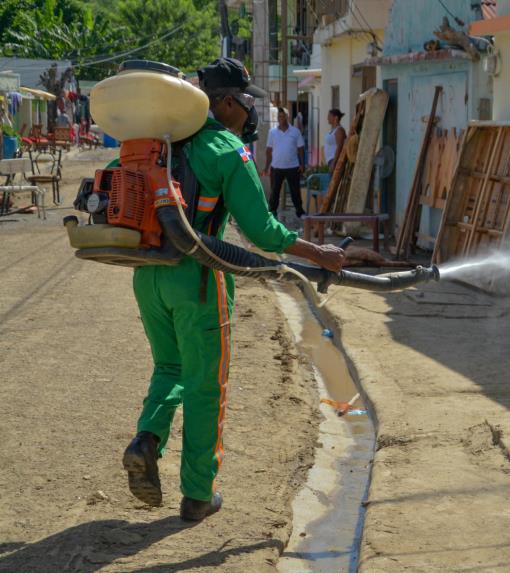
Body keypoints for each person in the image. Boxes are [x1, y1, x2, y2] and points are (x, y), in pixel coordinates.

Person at [121, 57, 345, 522]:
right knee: (206, 385)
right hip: (199, 279)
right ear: (225, 103)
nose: (251, 113)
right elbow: (262, 232)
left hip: (148, 275)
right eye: (246, 103)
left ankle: (147, 438)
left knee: (169, 366)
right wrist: (318, 254)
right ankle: (199, 494)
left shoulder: (154, 144)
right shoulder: (225, 149)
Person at [262, 107, 305, 219]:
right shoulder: (272, 132)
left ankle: (300, 212)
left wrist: (302, 164)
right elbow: (269, 150)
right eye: (279, 116)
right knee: (275, 191)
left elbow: (300, 148)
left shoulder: (295, 132)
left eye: (283, 116)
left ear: (287, 116)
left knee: (295, 191)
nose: (281, 118)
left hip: (293, 166)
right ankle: (272, 212)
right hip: (276, 167)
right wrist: (266, 167)